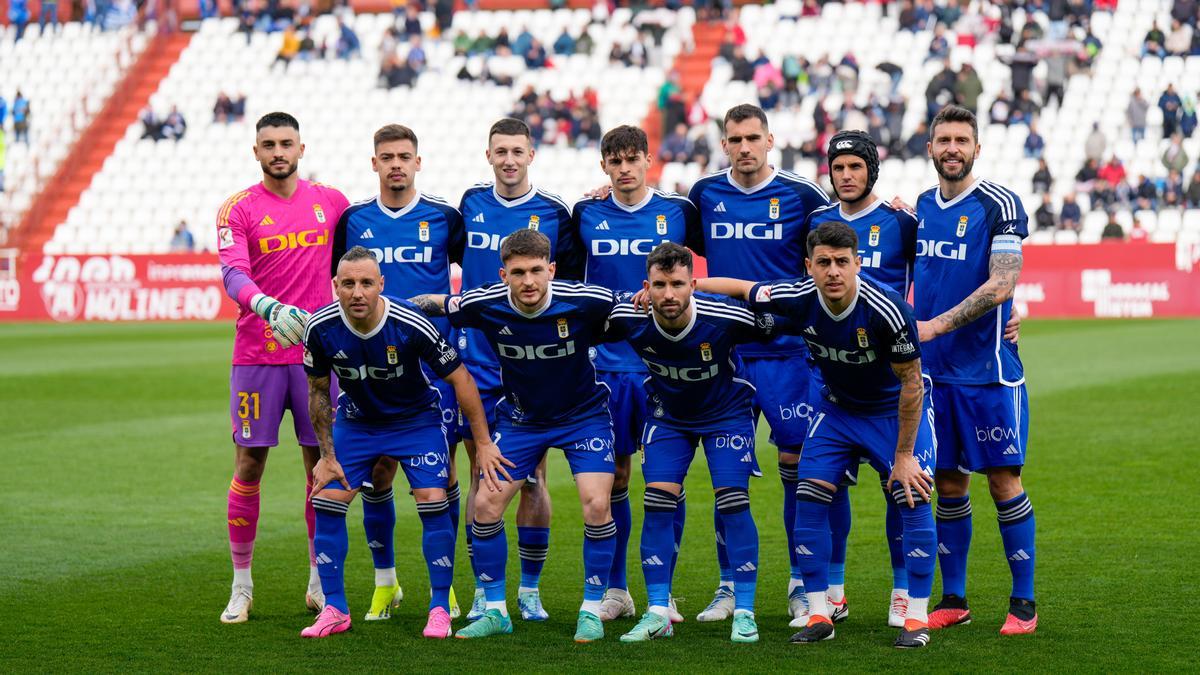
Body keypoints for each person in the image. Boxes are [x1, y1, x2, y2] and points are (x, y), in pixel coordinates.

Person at [698, 221, 938, 649]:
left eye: (842, 262)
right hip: (838, 410)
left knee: (911, 491)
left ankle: (916, 617)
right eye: (823, 262)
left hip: (892, 412)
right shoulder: (799, 297)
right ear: (808, 265)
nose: (833, 271)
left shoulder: (887, 309)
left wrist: (904, 454)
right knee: (808, 495)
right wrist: (686, 285)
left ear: (857, 263)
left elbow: (912, 383)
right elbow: (745, 289)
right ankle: (818, 612)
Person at [410, 229, 619, 642]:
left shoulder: (587, 300)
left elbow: (632, 308)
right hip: (522, 420)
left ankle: (591, 610)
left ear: (552, 270)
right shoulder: (483, 303)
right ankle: (495, 610)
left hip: (584, 417)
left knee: (597, 504)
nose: (528, 282)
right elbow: (438, 304)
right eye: (518, 272)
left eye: (537, 271)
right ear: (503, 273)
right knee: (485, 504)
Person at [300, 247, 494, 639]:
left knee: (432, 500)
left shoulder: (410, 322)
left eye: (366, 283)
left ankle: (440, 605)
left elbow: (461, 380)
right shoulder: (319, 328)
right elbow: (318, 393)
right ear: (335, 286)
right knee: (326, 499)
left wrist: (484, 442)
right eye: (349, 283)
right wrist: (326, 454)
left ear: (381, 285)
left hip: (416, 420)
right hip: (358, 421)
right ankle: (335, 608)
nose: (357, 292)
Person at [687, 104, 830, 625]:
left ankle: (800, 580)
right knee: (729, 476)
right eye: (735, 139)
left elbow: (846, 239)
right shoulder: (704, 196)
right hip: (726, 354)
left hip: (789, 353)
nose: (744, 147)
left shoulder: (803, 195)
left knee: (798, 470)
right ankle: (729, 584)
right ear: (723, 144)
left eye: (753, 138)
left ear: (771, 140)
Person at [608, 243, 791, 643]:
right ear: (646, 286)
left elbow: (784, 318)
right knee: (657, 503)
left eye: (678, 284)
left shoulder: (724, 317)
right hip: (669, 417)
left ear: (694, 284)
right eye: (660, 285)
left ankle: (744, 611)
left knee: (733, 502)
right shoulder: (626, 316)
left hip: (726, 415)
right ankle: (659, 610)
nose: (669, 294)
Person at [215, 112, 350, 624]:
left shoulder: (331, 202)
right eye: (268, 144)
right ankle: (242, 585)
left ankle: (319, 582)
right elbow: (233, 273)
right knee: (249, 465)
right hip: (258, 356)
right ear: (256, 151)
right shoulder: (239, 208)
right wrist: (269, 306)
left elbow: (379, 221)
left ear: (301, 147)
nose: (278, 151)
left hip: (319, 357)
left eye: (286, 143)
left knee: (321, 465)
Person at [329, 124, 466, 621]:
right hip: (370, 367)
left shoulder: (445, 218)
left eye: (404, 156)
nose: (396, 165)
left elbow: (470, 274)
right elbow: (339, 284)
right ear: (374, 163)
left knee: (442, 474)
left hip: (430, 367)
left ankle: (445, 589)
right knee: (376, 475)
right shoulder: (353, 220)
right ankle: (385, 584)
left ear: (417, 161)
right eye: (386, 156)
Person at [568, 125, 702, 624]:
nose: (624, 169)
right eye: (614, 160)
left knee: (666, 479)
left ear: (649, 159)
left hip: (667, 364)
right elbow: (565, 280)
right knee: (619, 476)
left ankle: (663, 595)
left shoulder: (679, 212)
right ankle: (618, 590)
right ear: (603, 166)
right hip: (606, 367)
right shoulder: (585, 213)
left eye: (632, 159)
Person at [914, 105, 1037, 636]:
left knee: (1003, 483)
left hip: (988, 374)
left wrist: (935, 326)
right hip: (933, 378)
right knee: (947, 483)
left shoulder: (1000, 203)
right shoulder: (920, 206)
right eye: (943, 139)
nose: (952, 148)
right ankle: (955, 598)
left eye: (962, 139)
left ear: (977, 148)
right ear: (930, 148)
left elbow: (1002, 282)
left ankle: (1024, 603)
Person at [455, 118, 583, 622]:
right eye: (500, 151)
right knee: (480, 476)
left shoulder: (555, 213)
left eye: (517, 150)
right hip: (480, 362)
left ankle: (529, 591)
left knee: (531, 479)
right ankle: (486, 594)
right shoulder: (468, 205)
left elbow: (569, 281)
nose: (509, 159)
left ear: (532, 154)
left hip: (533, 364)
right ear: (488, 155)